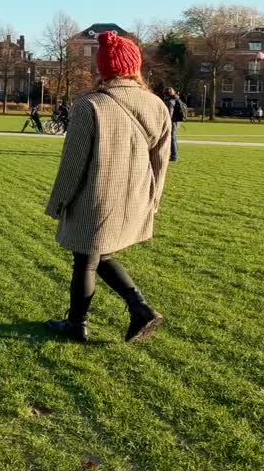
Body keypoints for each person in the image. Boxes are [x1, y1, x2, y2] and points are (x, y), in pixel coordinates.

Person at [44, 31, 171, 343]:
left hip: (96, 196)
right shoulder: (156, 105)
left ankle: (78, 325)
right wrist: (153, 200)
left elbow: (73, 165)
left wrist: (58, 203)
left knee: (85, 260)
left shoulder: (90, 105)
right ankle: (138, 308)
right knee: (99, 256)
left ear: (102, 69)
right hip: (135, 196)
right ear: (134, 66)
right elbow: (161, 161)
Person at [164, 87, 185, 162]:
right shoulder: (175, 99)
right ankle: (174, 155)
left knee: (172, 139)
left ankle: (174, 156)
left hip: (172, 122)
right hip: (175, 122)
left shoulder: (170, 101)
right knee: (174, 139)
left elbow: (170, 114)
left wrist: (166, 122)